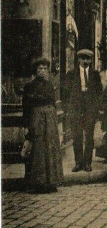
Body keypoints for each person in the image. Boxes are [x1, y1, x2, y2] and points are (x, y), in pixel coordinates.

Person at [22, 58, 63, 192]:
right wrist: (26, 125)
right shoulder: (29, 86)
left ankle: (51, 181)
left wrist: (55, 120)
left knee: (50, 148)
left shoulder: (49, 85)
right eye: (40, 69)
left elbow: (53, 103)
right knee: (38, 148)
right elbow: (26, 107)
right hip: (36, 118)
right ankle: (38, 182)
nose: (43, 71)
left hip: (49, 119)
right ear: (35, 70)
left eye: (45, 69)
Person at [62, 48, 102, 173]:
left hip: (90, 109)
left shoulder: (95, 74)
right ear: (78, 59)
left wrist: (96, 108)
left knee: (89, 136)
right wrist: (68, 108)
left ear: (91, 60)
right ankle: (78, 162)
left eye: (88, 59)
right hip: (76, 109)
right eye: (83, 58)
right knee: (77, 136)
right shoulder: (71, 74)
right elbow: (66, 92)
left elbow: (99, 92)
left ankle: (87, 163)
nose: (85, 61)